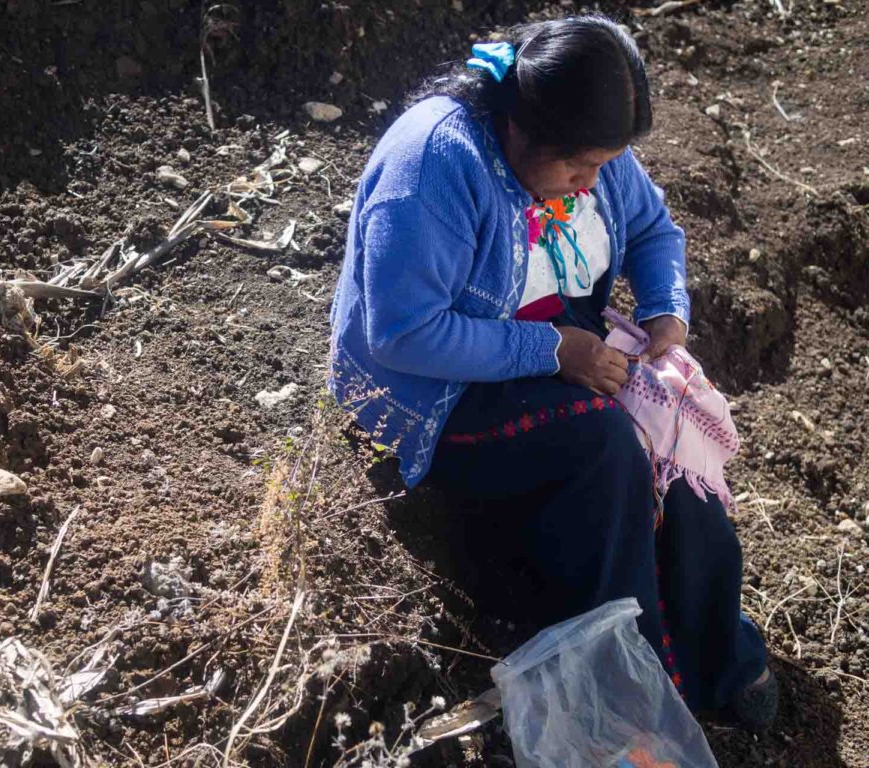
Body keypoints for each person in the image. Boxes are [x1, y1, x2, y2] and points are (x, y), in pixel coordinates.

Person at [328, 15, 777, 730]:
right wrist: (553, 352)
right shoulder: (436, 164)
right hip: (439, 391)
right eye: (581, 167)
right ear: (525, 129)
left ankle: (719, 649)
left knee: (669, 418)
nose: (595, 181)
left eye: (604, 163)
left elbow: (656, 231)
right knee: (605, 447)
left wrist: (666, 313)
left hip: (555, 346)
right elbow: (403, 333)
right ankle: (635, 688)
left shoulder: (581, 143)